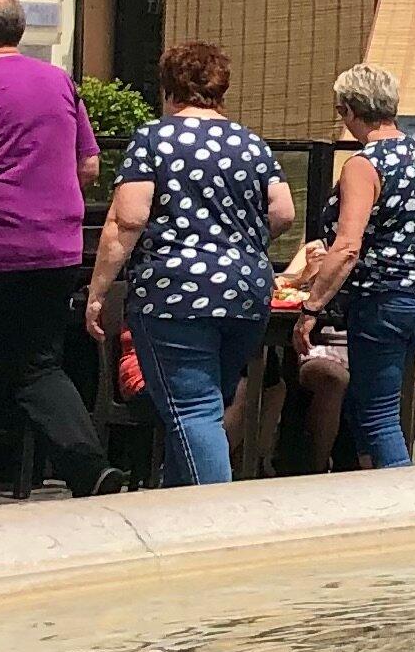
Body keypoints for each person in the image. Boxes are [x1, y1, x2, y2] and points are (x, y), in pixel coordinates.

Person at [0, 0, 125, 507]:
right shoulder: (61, 82)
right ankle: (90, 469)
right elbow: (88, 167)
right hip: (54, 251)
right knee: (37, 365)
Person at [83, 41, 295, 487]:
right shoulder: (251, 143)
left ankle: (212, 521)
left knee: (191, 410)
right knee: (204, 405)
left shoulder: (154, 139)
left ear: (168, 87)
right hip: (246, 290)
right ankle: (172, 510)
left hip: (175, 291)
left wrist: (98, 291)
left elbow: (129, 218)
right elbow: (284, 212)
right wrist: (238, 245)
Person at [289, 64, 415, 467]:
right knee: (374, 404)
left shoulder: (364, 165)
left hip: (383, 298)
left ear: (348, 110)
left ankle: (407, 502)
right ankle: (374, 495)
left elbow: (346, 247)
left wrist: (311, 307)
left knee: (377, 416)